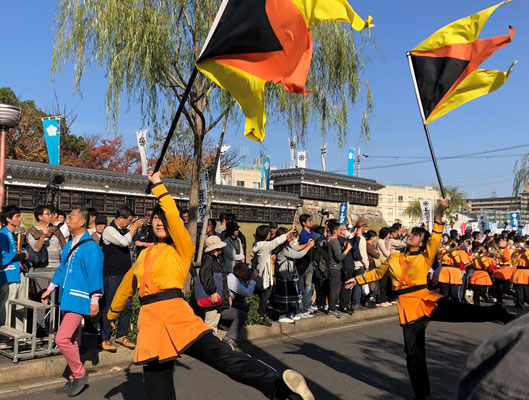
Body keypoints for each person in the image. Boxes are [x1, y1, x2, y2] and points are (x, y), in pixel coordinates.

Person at [107, 171, 314, 400]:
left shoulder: (182, 247)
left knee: (223, 357)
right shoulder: (144, 256)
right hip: (152, 326)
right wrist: (112, 313)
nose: (159, 222)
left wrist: (158, 186)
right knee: (158, 392)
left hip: (178, 317)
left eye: (163, 218)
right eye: (155, 218)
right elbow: (127, 287)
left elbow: (174, 219)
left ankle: (281, 390)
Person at [346, 199, 514, 400]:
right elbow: (378, 274)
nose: (412, 235)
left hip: (428, 300)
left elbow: (435, 234)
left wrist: (440, 211)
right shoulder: (393, 258)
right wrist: (357, 280)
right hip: (409, 309)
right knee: (413, 355)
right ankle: (422, 395)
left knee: (466, 312)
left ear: (422, 242)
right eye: (413, 232)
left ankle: (498, 312)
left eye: (417, 234)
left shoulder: (426, 256)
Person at [40, 208, 104, 397]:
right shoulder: (69, 245)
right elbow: (62, 269)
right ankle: (73, 378)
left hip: (80, 298)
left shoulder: (91, 246)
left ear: (81, 222)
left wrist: (95, 300)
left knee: (61, 338)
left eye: (71, 218)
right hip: (67, 296)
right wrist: (50, 289)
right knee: (72, 339)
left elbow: (94, 273)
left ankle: (79, 373)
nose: (67, 221)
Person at [100, 206, 143, 352]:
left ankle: (122, 334)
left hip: (125, 274)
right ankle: (104, 339)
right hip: (112, 274)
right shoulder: (109, 230)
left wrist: (133, 229)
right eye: (129, 221)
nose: (130, 224)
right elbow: (124, 242)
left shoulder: (124, 231)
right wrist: (134, 228)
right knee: (110, 306)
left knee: (128, 305)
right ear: (120, 218)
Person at [253, 224, 296, 326]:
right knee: (264, 297)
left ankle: (257, 315)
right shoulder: (265, 245)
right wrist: (290, 231)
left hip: (259, 274)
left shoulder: (258, 245)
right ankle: (260, 316)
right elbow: (278, 241)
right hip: (264, 276)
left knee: (260, 296)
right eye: (268, 232)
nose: (270, 234)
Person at [272, 227, 315, 323]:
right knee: (285, 295)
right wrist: (309, 246)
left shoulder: (286, 246)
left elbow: (296, 248)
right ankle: (282, 315)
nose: (290, 236)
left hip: (290, 273)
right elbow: (297, 255)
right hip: (284, 274)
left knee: (292, 294)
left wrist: (307, 244)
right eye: (288, 235)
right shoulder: (282, 248)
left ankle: (290, 313)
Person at [0, 205, 29, 328]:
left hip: (18, 272)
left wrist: (22, 254)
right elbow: (4, 256)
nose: (20, 219)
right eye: (17, 216)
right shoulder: (3, 234)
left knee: (21, 306)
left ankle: (20, 335)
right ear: (8, 219)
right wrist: (21, 255)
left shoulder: (14, 234)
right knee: (6, 305)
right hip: (9, 274)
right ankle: (4, 332)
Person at [26, 205, 66, 270]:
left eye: (51, 214)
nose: (50, 216)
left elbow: (63, 247)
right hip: (40, 267)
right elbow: (36, 249)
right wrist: (43, 236)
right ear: (40, 217)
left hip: (57, 267)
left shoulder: (56, 230)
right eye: (47, 214)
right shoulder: (33, 232)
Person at [327, 221, 352, 318]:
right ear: (335, 231)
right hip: (335, 268)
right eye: (339, 230)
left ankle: (332, 307)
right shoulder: (335, 242)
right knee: (334, 289)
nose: (341, 232)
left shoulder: (332, 241)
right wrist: (347, 249)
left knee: (334, 288)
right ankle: (332, 308)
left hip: (333, 267)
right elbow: (339, 257)